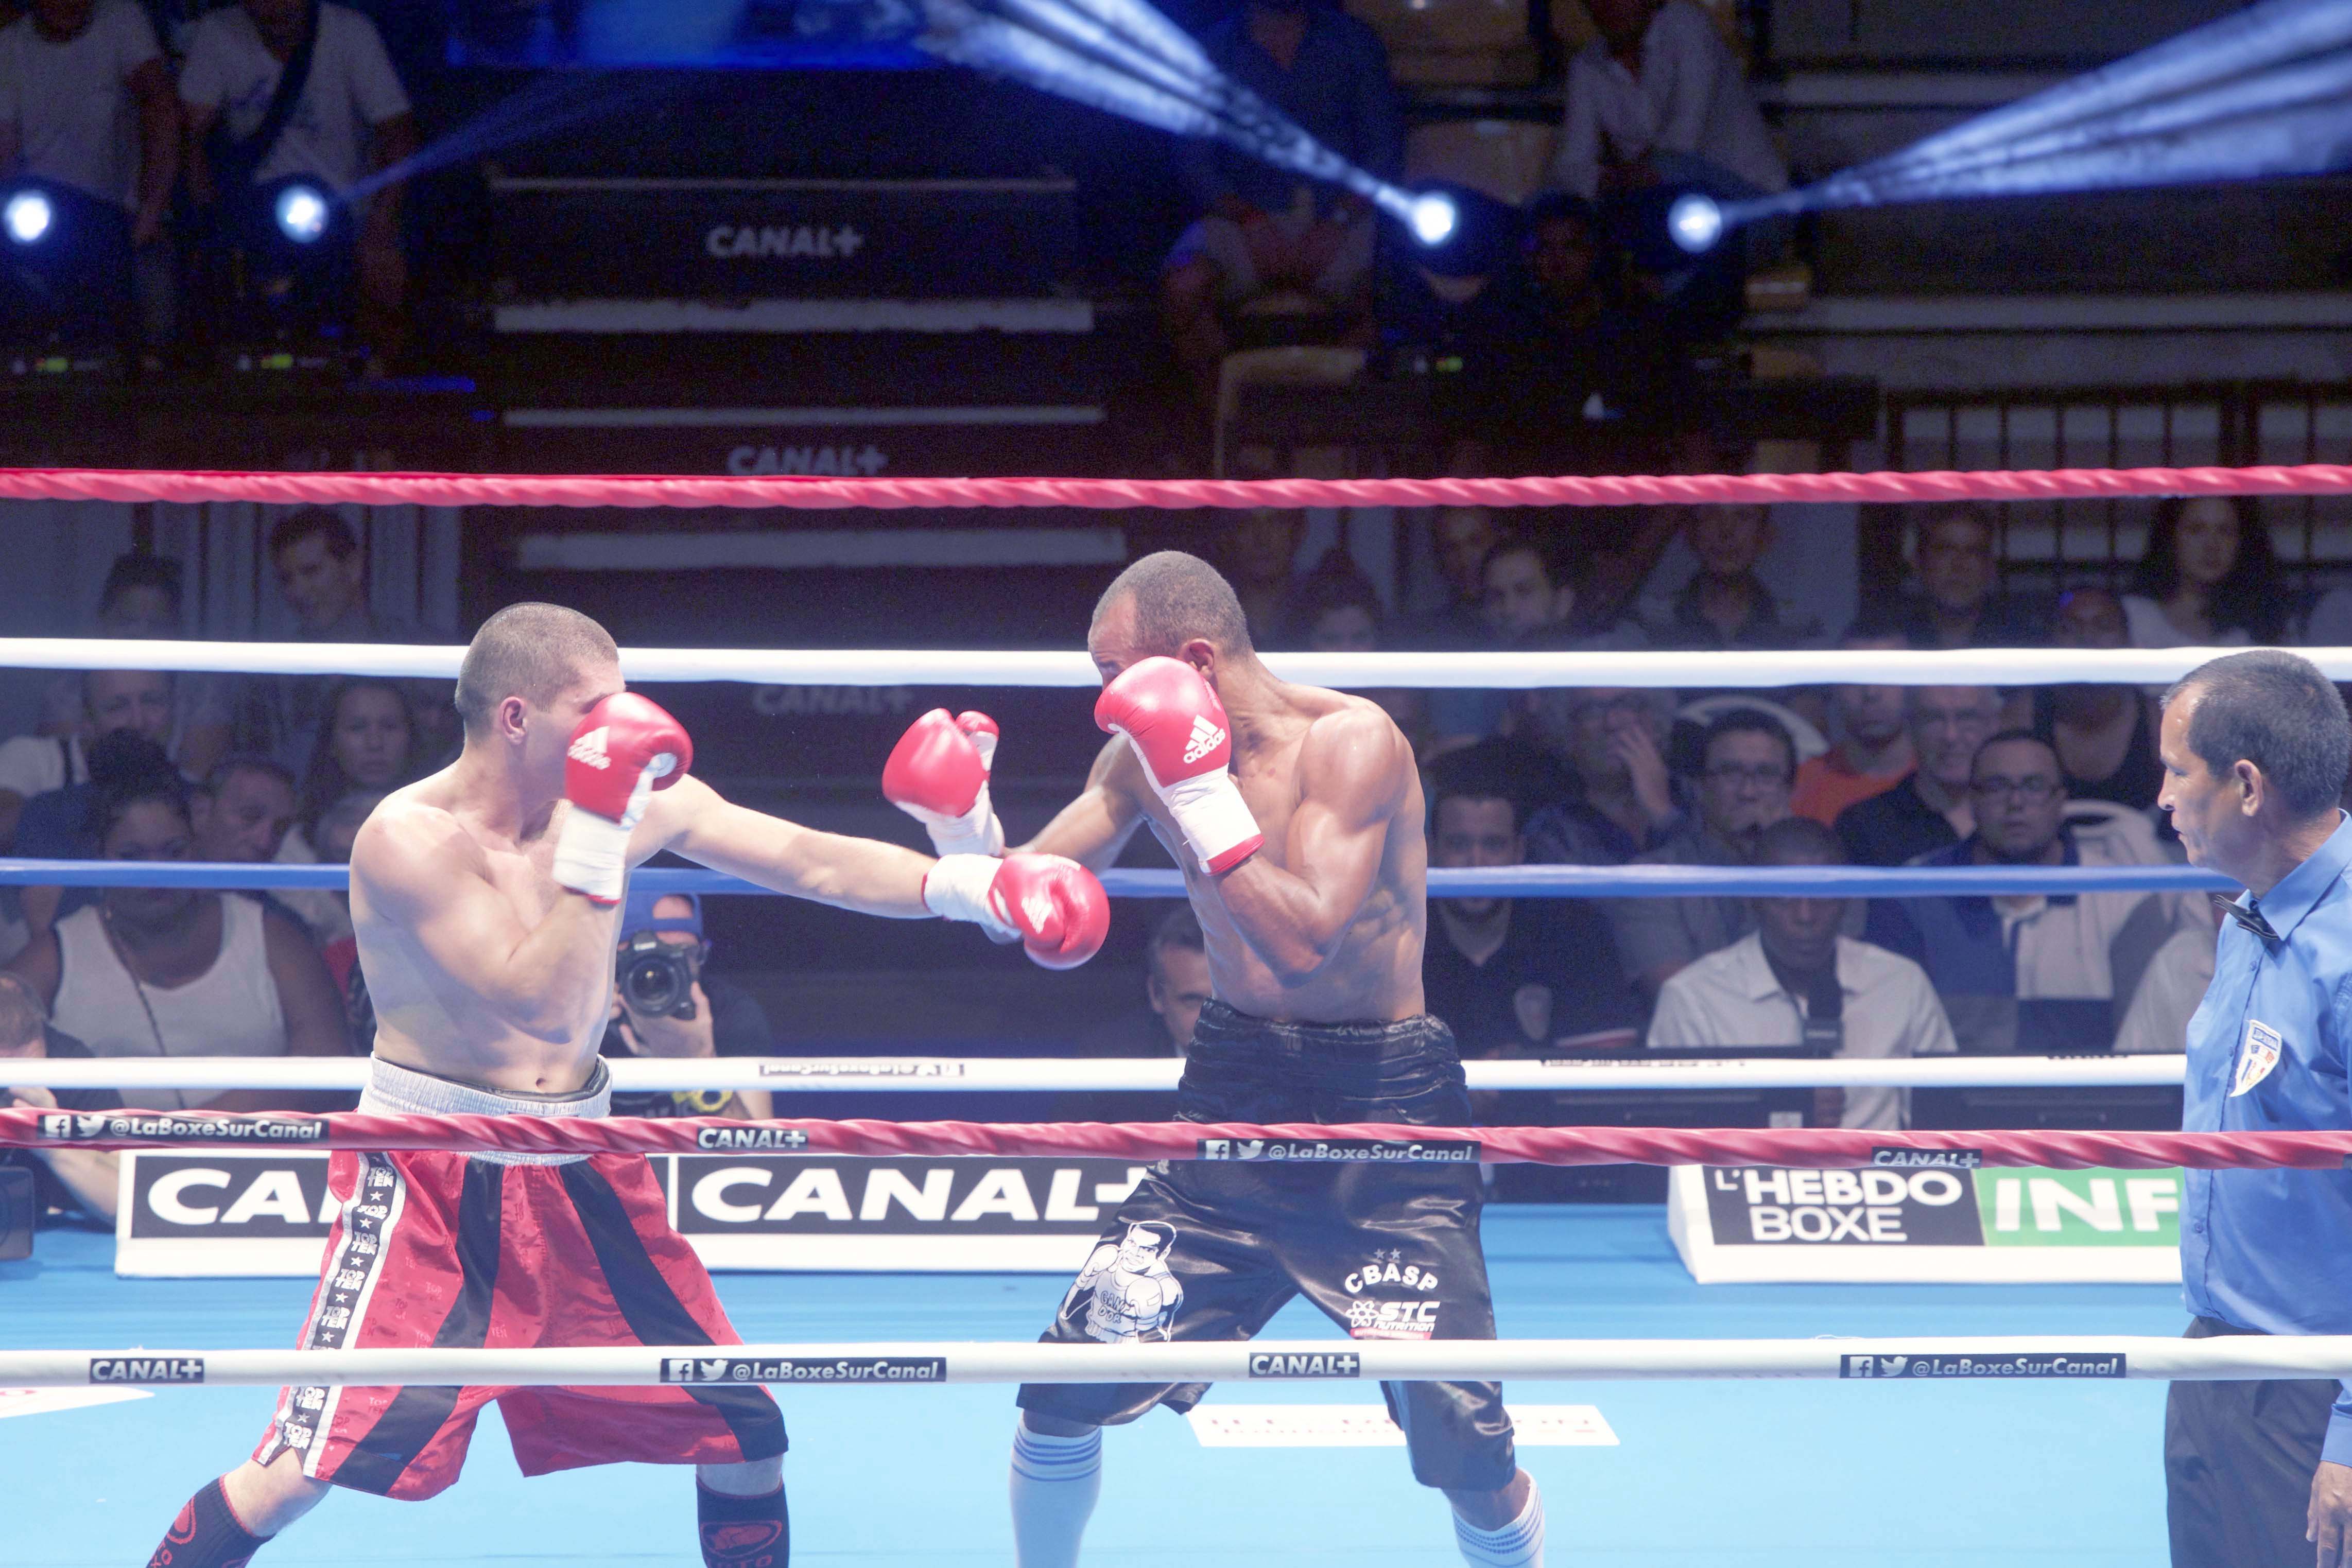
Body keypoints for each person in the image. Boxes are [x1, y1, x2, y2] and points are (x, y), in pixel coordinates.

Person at [142, 602, 1110, 1568]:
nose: (621, 727)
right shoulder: (409, 838)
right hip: (435, 1176)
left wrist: (971, 889)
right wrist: (600, 830)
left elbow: (808, 858)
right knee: (298, 1470)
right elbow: (537, 1001)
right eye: (593, 709)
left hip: (583, 1164)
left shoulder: (621, 799)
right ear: (517, 717)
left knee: (742, 1435)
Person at [882, 553, 1542, 1567]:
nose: (1105, 699)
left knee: (1462, 1441)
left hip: (1384, 1110)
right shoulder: (1142, 757)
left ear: (1192, 659)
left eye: (1115, 672)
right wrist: (964, 835)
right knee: (1062, 1388)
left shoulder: (1352, 741)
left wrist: (1198, 792)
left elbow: (1305, 936)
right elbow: (1038, 893)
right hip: (1233, 1094)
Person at [2151, 649, 2352, 1567]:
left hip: (2317, 1385)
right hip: (2213, 1354)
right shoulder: (2251, 914)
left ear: (2243, 785)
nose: (2159, 798)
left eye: (2173, 771)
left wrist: (2349, 1432)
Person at [3, 760, 350, 1113]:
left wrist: (190, 1131)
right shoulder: (57, 954)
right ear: (98, 855)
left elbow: (327, 1065)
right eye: (132, 856)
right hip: (99, 1161)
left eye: (173, 852)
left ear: (196, 845)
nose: (157, 872)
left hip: (258, 1158)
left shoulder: (273, 937)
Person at [1865, 731, 2190, 1055]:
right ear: (1972, 801)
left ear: (2060, 799)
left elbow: (2144, 1047)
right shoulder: (1912, 895)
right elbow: (1891, 1035)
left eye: (2034, 786)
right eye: (1997, 787)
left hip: (2085, 1102)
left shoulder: (2125, 899)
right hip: (1945, 1102)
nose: (2016, 803)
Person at [1160, 0, 1403, 403]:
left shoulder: (1353, 41)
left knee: (1394, 295)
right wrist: (1251, 220)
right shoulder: (1212, 50)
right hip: (1244, 216)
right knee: (1183, 287)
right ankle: (1227, 421)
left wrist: (1337, 222)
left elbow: (1384, 153)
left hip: (1343, 214)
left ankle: (1339, 426)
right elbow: (1192, 162)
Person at [1647, 816, 1955, 1130]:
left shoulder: (1900, 983)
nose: (1805, 915)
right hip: (1745, 1174)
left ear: (1847, 898)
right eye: (1784, 897)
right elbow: (1673, 1137)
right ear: (1753, 899)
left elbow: (1945, 1121)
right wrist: (1777, 1109)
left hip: (1880, 1174)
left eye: (1821, 895)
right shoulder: (1695, 997)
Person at [178, 0, 421, 365]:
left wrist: (380, 231)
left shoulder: (350, 32)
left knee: (379, 300)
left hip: (338, 210)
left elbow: (397, 132)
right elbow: (189, 134)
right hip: (253, 208)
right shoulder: (219, 32)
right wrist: (204, 217)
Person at [1423, 741, 1636, 1058]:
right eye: (1458, 844)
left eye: (1494, 845)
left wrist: (1516, 1075)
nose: (1477, 863)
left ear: (1519, 852)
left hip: (1546, 1109)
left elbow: (1605, 1076)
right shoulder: (1393, 938)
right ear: (1431, 850)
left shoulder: (1573, 930)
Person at [0, 0, 177, 343]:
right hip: (39, 217)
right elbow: (4, 150)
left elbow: (160, 108)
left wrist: (151, 212)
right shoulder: (8, 48)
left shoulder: (122, 20)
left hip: (118, 217)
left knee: (154, 330)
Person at [1608, 707, 1795, 1002]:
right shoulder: (1651, 881)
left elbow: (1832, 985)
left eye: (1766, 775)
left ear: (1789, 792)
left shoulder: (1827, 879)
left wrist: (1777, 861)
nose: (1748, 792)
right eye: (1730, 773)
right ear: (1701, 788)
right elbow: (1682, 1000)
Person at [1549, 0, 1785, 207]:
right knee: (1550, 208)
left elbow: (1683, 143)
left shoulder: (1686, 25)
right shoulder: (1588, 66)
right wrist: (1615, 179)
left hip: (1748, 200)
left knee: (1669, 177)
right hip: (1659, 203)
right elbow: (1570, 166)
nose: (1612, 4)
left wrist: (1620, 177)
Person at [235, 510, 412, 773]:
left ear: (353, 567)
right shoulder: (274, 670)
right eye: (287, 579)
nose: (298, 590)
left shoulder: (411, 652)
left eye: (311, 572)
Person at [34, 553, 234, 780]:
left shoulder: (201, 695)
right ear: (102, 621)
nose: (140, 633)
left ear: (176, 629)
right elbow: (65, 781)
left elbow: (196, 784)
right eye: (127, 621)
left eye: (157, 624)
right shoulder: (67, 693)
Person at [601, 889, 775, 1122]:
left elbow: (755, 1154)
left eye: (684, 954)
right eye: (649, 960)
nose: (664, 974)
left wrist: (699, 1064)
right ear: (610, 959)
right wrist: (580, 1041)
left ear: (702, 953)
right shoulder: (581, 1020)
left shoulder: (728, 1012)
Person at [276, 678, 421, 945]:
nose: (375, 742)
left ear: (410, 737)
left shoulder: (446, 826)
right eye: (357, 728)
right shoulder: (295, 847)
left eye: (389, 727)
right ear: (331, 741)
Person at [0, 665, 177, 848]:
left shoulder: (187, 788)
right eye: (117, 707)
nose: (138, 722)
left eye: (152, 702)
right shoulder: (31, 759)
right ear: (88, 719)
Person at [1833, 685, 2001, 867]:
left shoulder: (2019, 814)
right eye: (1933, 719)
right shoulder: (1863, 827)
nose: (1950, 736)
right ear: (1911, 727)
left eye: (1966, 718)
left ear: (1994, 725)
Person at [2029, 586, 2164, 811]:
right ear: (2050, 641)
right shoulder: (2022, 714)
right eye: (2071, 628)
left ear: (2128, 641)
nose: (2087, 638)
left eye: (2103, 626)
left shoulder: (2159, 720)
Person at [0, 972, 120, 1224]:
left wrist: (52, 1141)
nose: (12, 1091)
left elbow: (128, 1203)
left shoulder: (72, 1067)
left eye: (28, 1071)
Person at [1517, 682, 1681, 866]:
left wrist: (1663, 813)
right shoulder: (1552, 832)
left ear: (1655, 719)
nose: (1612, 722)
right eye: (1592, 710)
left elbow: (1711, 887)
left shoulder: (1698, 799)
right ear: (1568, 733)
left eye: (1628, 704)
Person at [1634, 504, 1823, 651]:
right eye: (1712, 516)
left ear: (1766, 536)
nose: (1726, 532)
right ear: (1691, 534)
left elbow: (1809, 699)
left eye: (1743, 516)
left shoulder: (1799, 626)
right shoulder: (1649, 622)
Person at [2123, 494, 2290, 650]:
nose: (2212, 545)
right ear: (2171, 538)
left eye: (2225, 531)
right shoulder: (2133, 617)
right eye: (2196, 530)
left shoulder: (2267, 622)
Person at [1896, 505, 2046, 649]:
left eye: (1974, 552)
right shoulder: (1888, 640)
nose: (1960, 566)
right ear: (1917, 562)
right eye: (1946, 551)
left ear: (1990, 567)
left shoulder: (2023, 643)